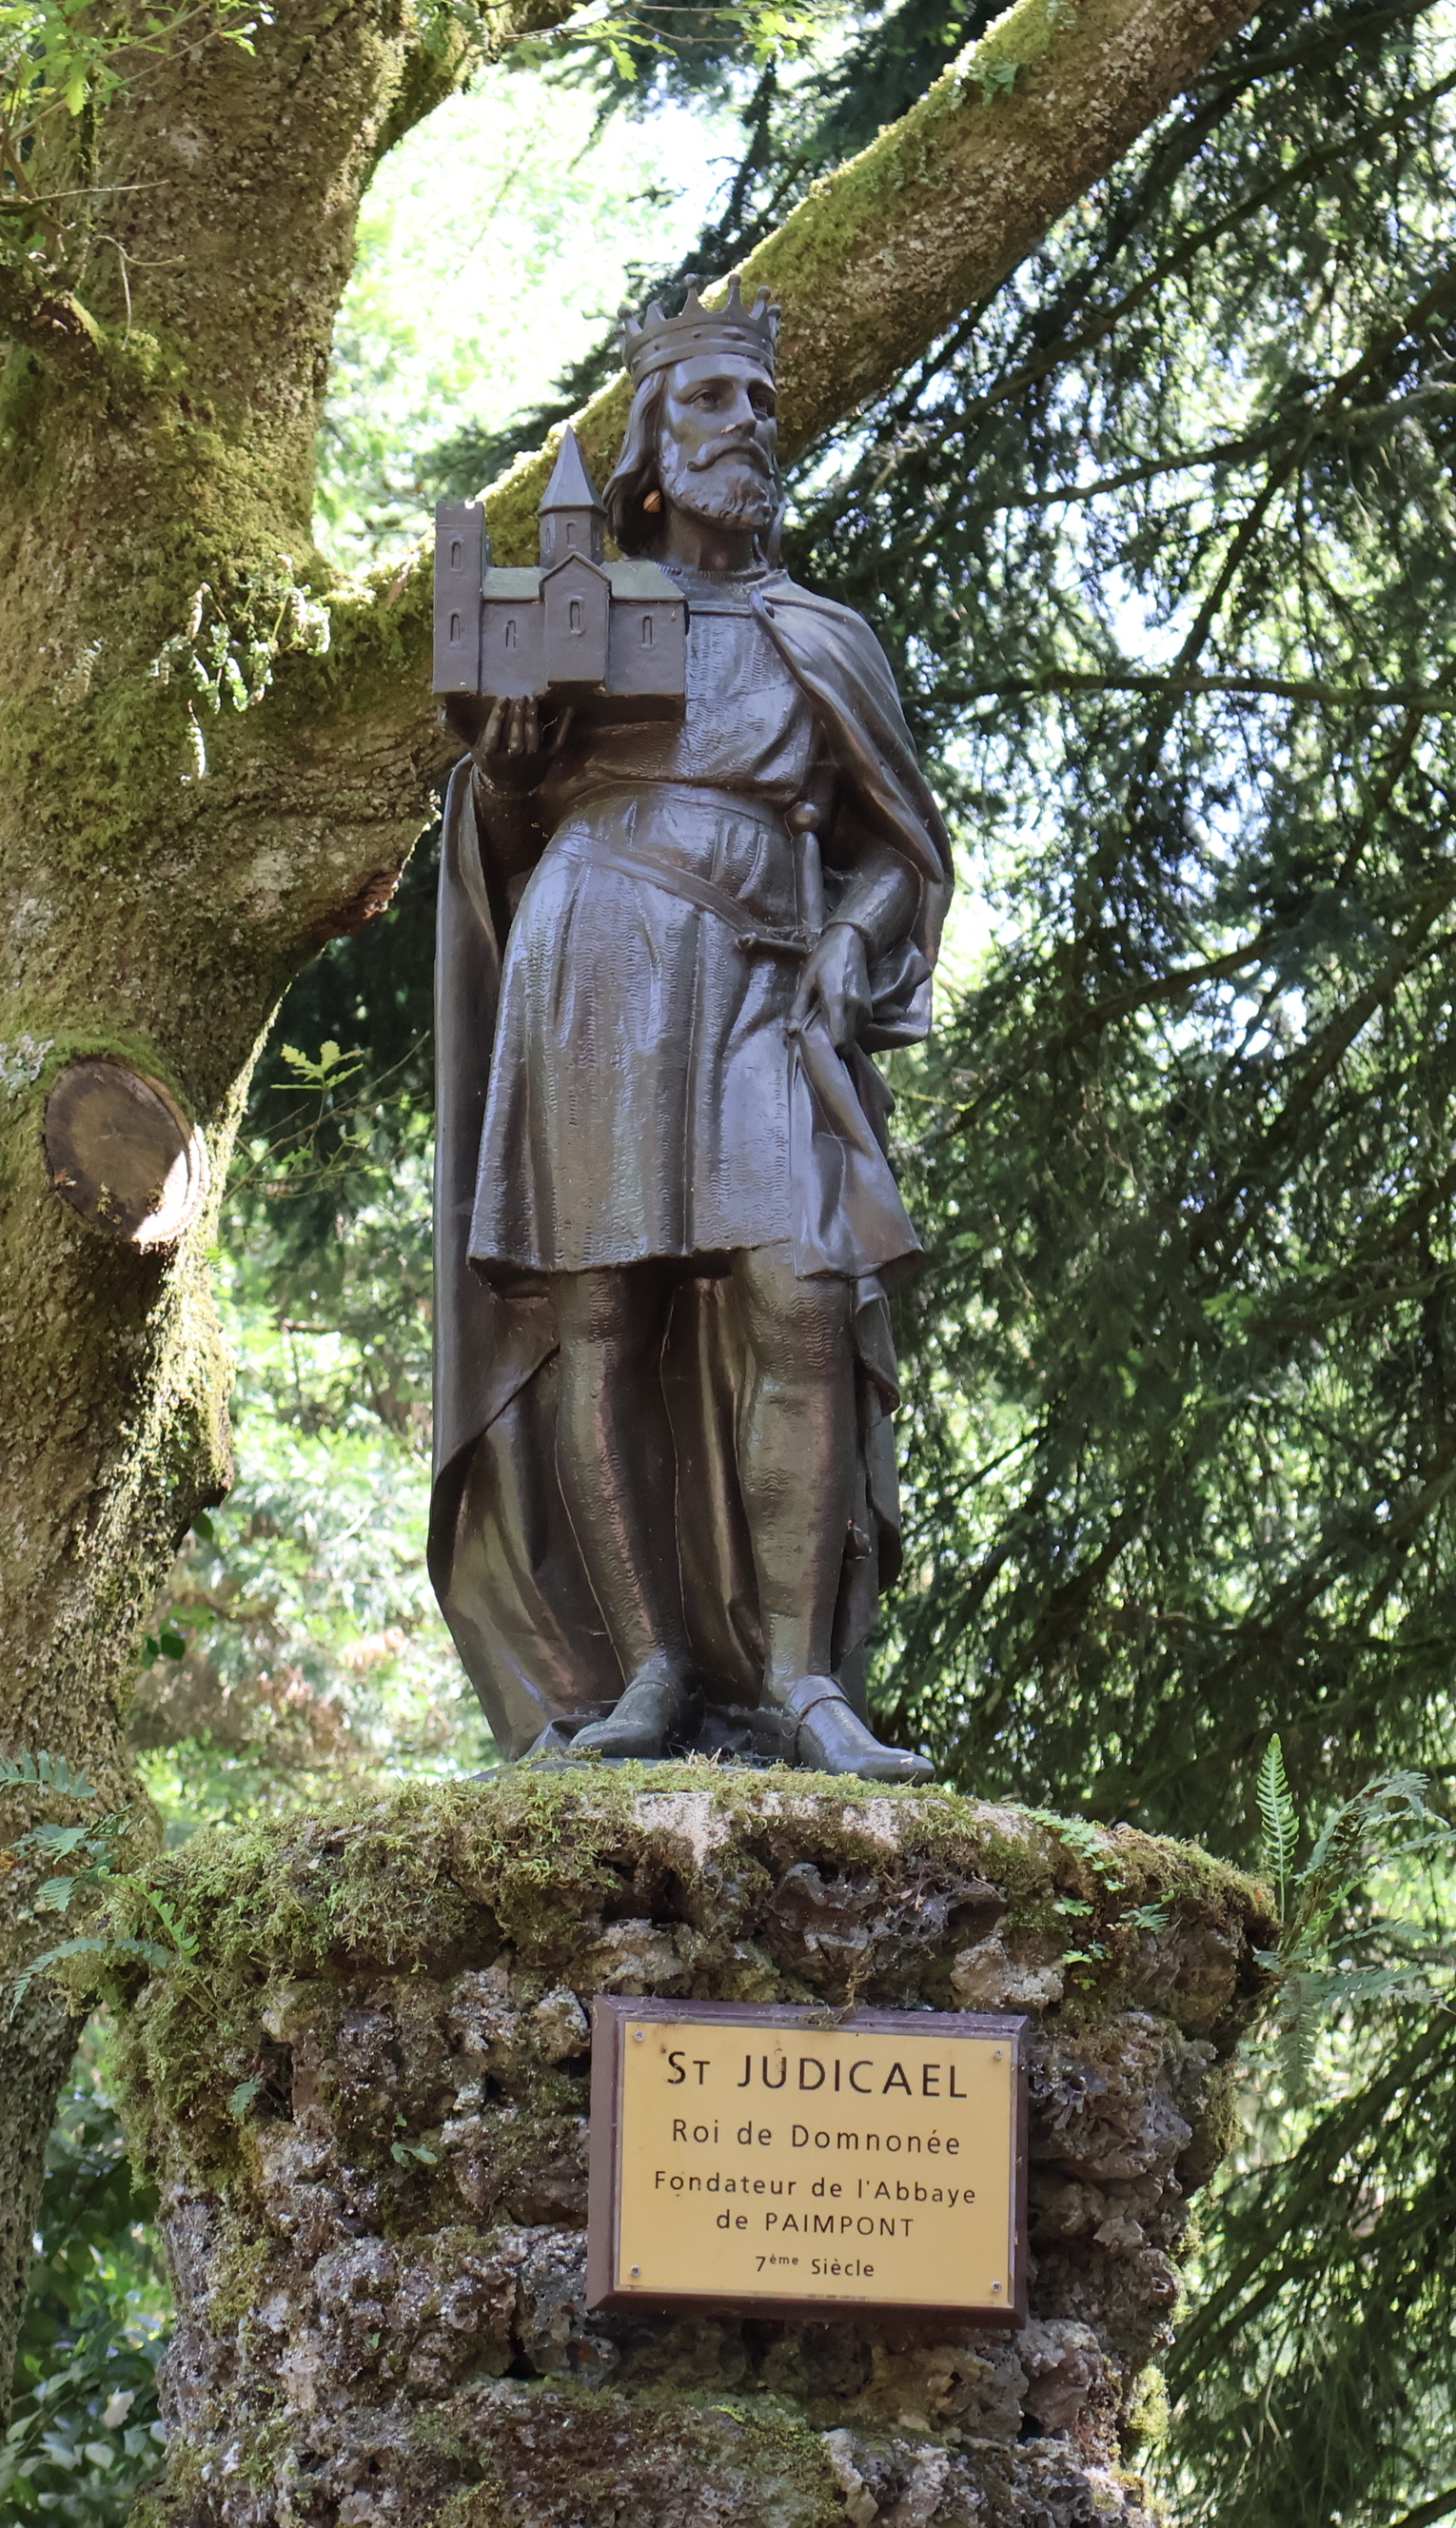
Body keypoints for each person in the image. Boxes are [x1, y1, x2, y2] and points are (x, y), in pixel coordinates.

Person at [427, 280, 947, 1782]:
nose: (749, 431)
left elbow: (899, 847)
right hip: (593, 956)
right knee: (601, 1314)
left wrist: (852, 947)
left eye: (762, 406)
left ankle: (804, 1686)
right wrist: (517, 771)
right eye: (711, 403)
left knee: (801, 1289)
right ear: (649, 446)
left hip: (766, 985)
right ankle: (649, 1667)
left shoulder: (822, 636)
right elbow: (497, 821)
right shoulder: (591, 610)